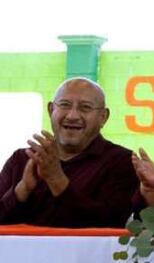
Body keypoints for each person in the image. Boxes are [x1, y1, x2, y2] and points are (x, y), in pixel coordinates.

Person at [0, 77, 138, 227]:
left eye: (85, 107)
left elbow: (110, 223)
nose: (72, 116)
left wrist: (57, 180)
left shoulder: (121, 162)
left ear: (103, 117)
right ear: (51, 110)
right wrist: (23, 189)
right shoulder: (22, 159)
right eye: (65, 105)